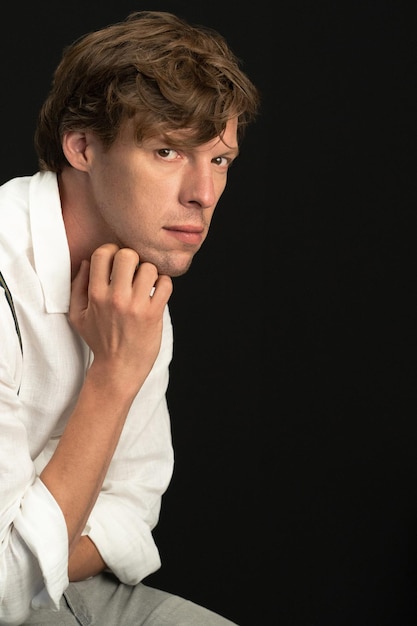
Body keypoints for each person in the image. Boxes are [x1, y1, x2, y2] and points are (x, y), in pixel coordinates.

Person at [0, 9, 259, 626]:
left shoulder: (133, 277)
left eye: (219, 159)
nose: (202, 193)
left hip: (57, 585)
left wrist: (38, 548)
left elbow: (134, 507)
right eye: (168, 151)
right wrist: (114, 376)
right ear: (83, 147)